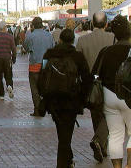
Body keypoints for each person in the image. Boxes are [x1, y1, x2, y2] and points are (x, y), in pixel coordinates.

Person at [42, 29, 92, 168]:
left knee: (62, 132)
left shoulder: (49, 54)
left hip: (53, 100)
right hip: (71, 100)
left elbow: (43, 74)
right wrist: (83, 98)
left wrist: (44, 96)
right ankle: (63, 163)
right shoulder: (78, 56)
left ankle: (67, 159)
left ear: (60, 40)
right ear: (72, 41)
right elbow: (87, 79)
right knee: (66, 133)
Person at [92, 15, 131, 168]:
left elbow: (95, 74)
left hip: (108, 96)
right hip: (128, 96)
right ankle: (129, 164)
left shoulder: (106, 51)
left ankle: (117, 167)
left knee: (115, 134)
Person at [76, 11, 115, 162]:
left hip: (90, 83)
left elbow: (78, 63)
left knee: (96, 114)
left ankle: (100, 144)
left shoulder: (82, 40)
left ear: (92, 23)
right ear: (106, 23)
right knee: (109, 114)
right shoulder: (112, 38)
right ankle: (100, 142)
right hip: (109, 82)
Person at [23, 17, 55, 116]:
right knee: (47, 86)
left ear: (33, 25)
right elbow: (53, 48)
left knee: (34, 88)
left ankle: (38, 109)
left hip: (34, 65)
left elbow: (26, 47)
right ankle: (48, 107)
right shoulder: (49, 36)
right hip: (46, 65)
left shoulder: (30, 36)